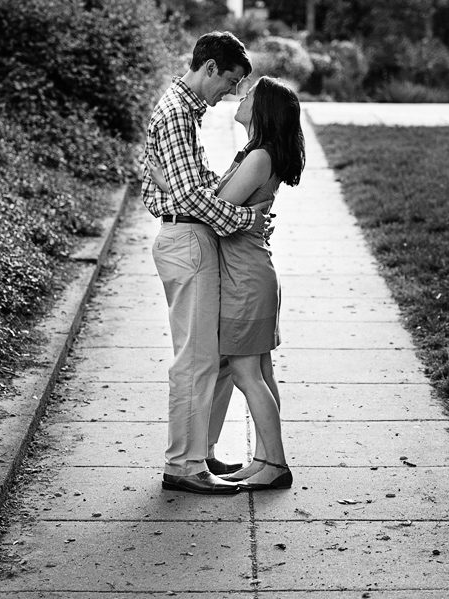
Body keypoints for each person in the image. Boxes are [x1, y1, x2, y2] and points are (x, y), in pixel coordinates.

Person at [150, 76, 306, 491]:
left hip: (245, 278)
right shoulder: (254, 153)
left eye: (250, 93)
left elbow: (214, 210)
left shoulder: (259, 157)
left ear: (263, 109)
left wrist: (169, 186)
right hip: (248, 272)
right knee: (258, 372)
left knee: (245, 372)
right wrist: (190, 193)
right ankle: (267, 459)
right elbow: (217, 202)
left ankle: (275, 464)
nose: (241, 95)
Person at [142, 31, 271, 496]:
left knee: (214, 358)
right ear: (210, 67)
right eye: (231, 81)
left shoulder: (183, 113)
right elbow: (190, 195)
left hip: (192, 236)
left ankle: (201, 451)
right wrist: (245, 218)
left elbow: (182, 185)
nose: (232, 92)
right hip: (186, 241)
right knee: (196, 361)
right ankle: (183, 465)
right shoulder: (177, 113)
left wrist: (214, 199)